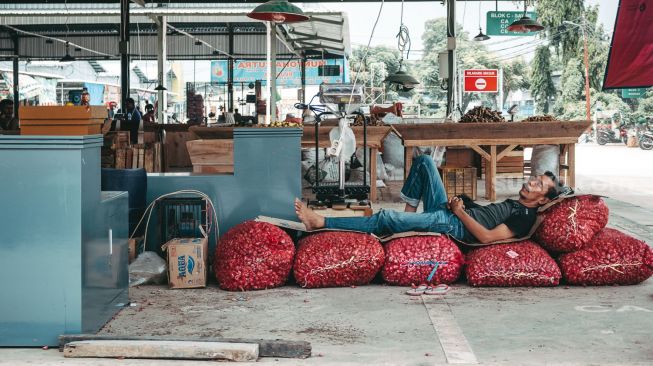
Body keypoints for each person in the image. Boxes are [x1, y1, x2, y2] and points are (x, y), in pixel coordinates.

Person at [295, 155, 563, 244]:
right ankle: (409, 219)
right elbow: (485, 215)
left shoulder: (524, 216)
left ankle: (320, 221)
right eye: (534, 178)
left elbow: (486, 238)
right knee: (424, 162)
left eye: (538, 184)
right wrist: (464, 203)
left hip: (454, 225)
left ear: (542, 200)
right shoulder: (517, 203)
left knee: (384, 217)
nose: (530, 182)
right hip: (452, 213)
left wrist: (460, 213)